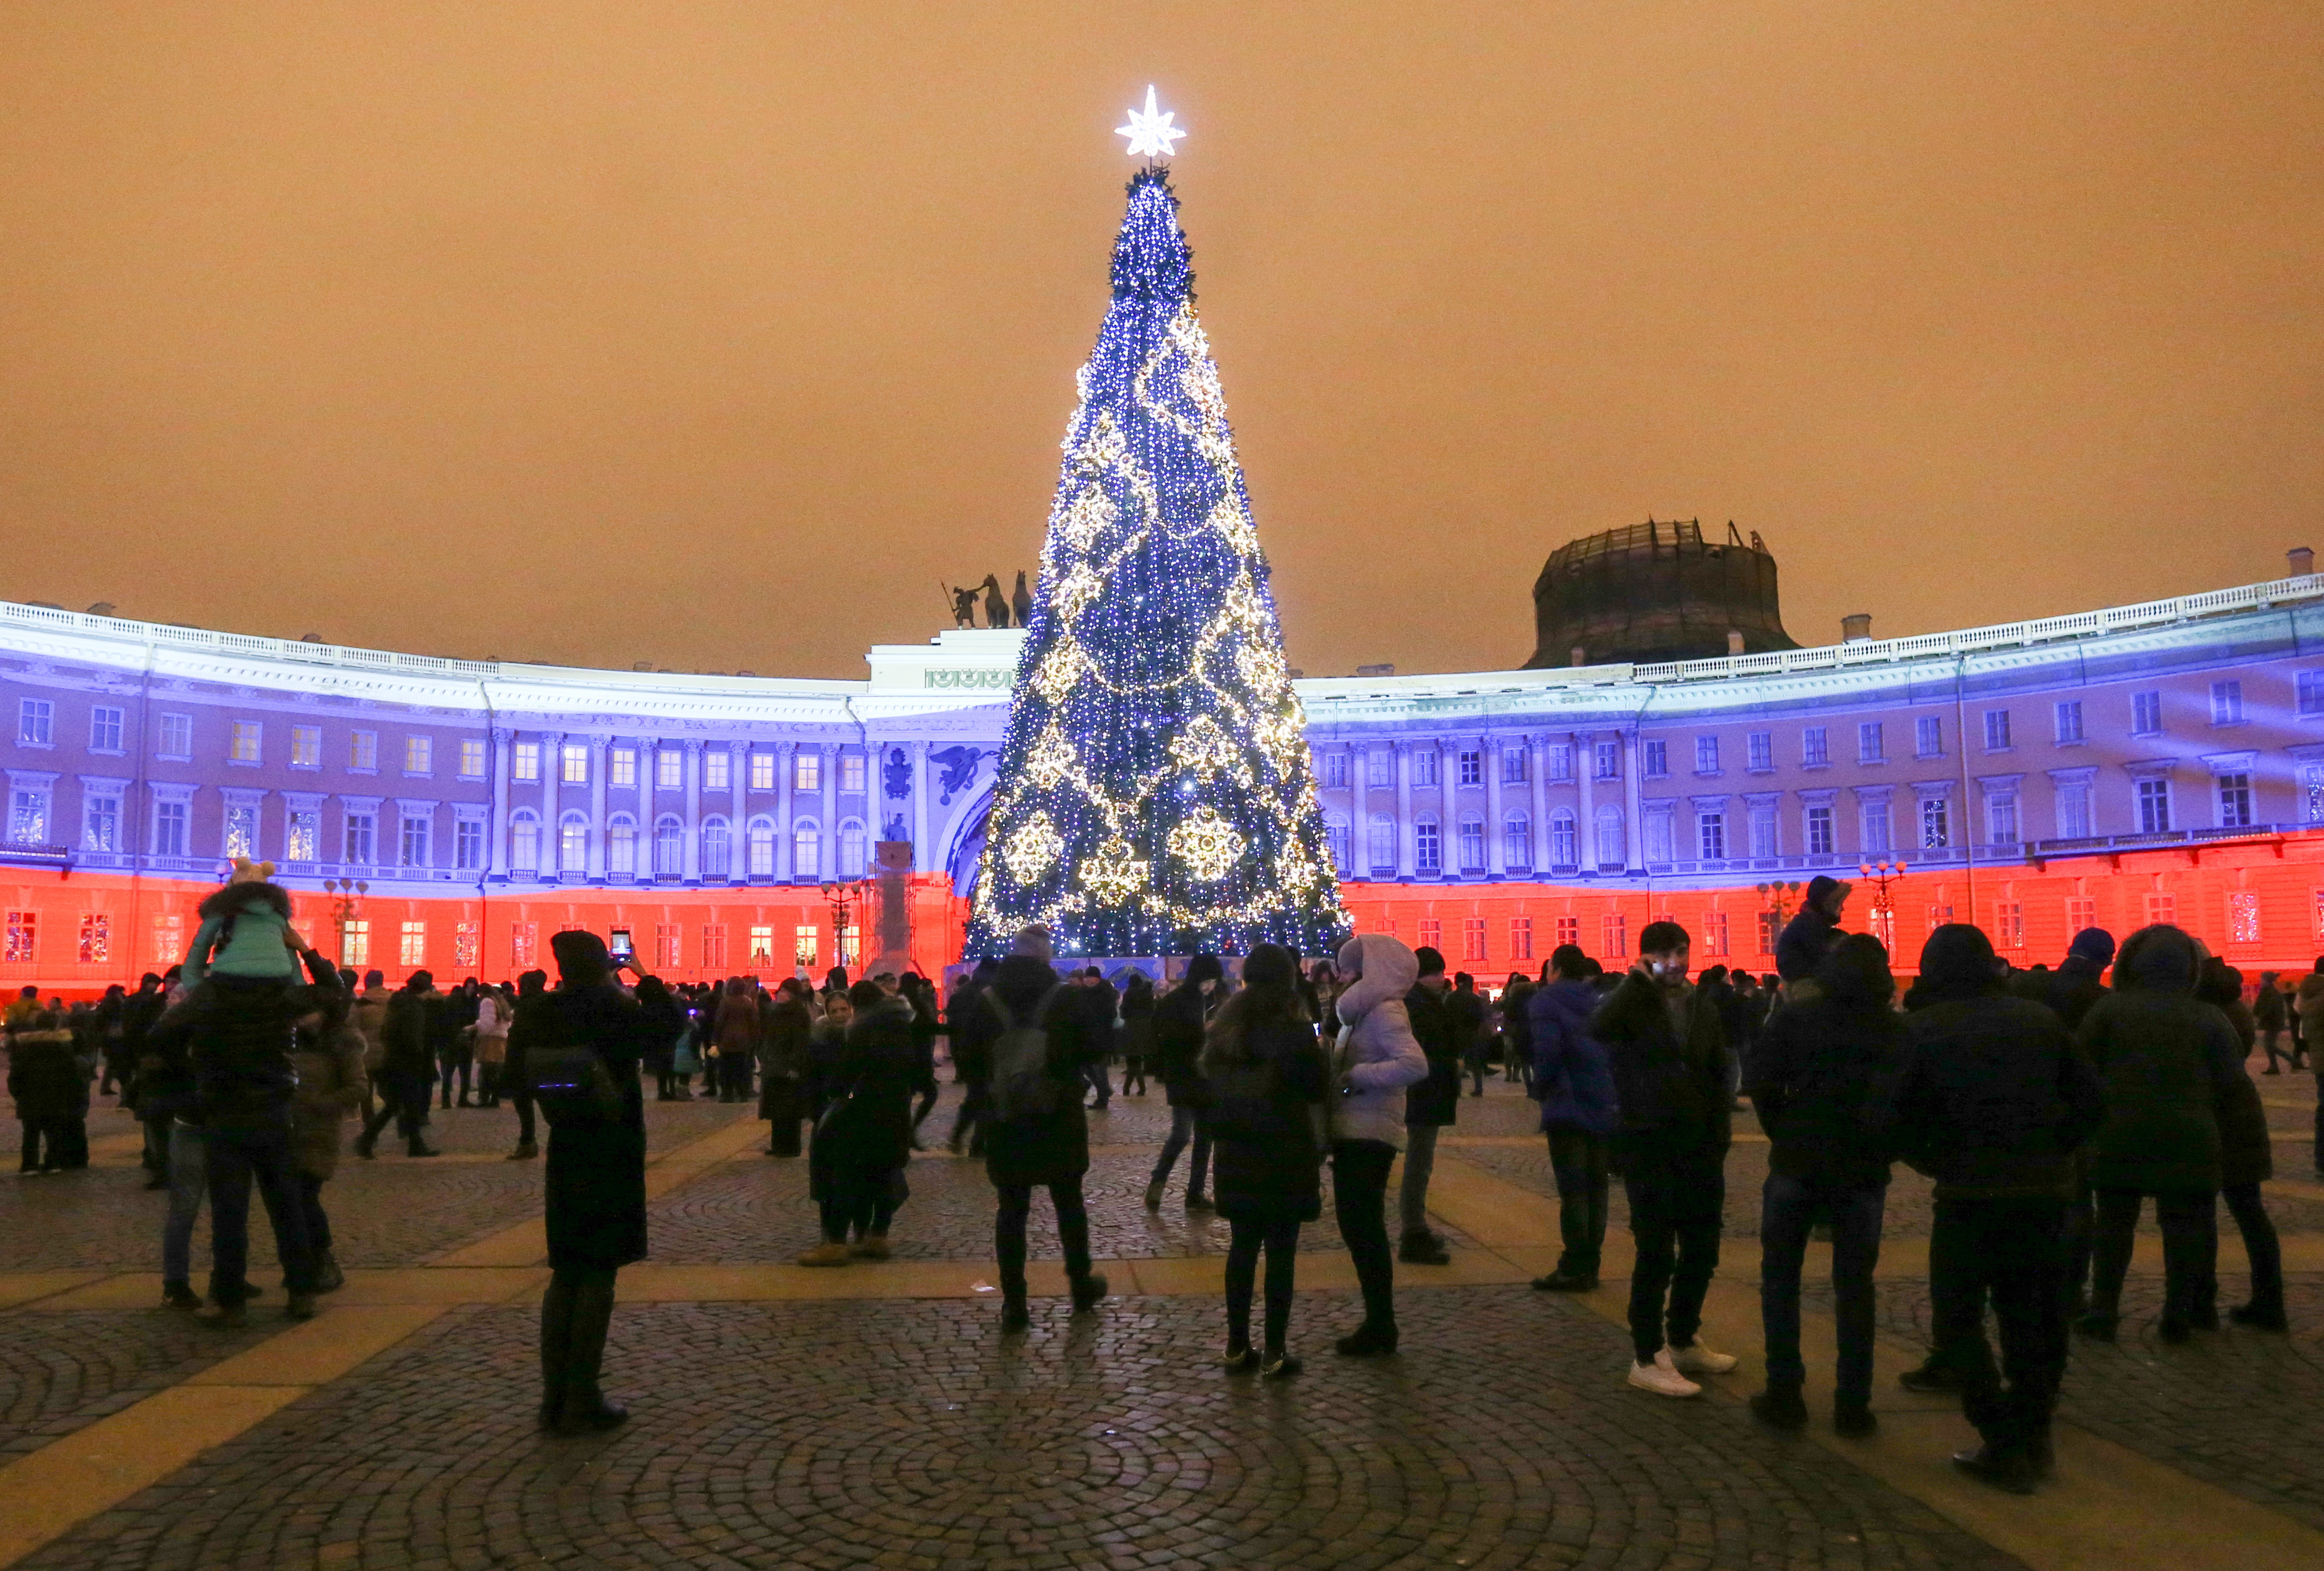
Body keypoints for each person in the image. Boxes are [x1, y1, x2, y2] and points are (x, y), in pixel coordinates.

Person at [1892, 923, 2104, 1493]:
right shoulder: (2039, 1020)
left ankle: (2000, 1433)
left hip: (1967, 1196)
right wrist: (2055, 1149)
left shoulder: (1922, 1029)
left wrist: (1935, 1159)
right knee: (2033, 1321)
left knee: (1957, 1319)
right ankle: (2033, 1434)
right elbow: (2090, 1100)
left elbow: (1892, 1117)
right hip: (2042, 1194)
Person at [1746, 934, 1910, 1435]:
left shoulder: (1798, 1018)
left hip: (1798, 1160)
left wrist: (1785, 1130)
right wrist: (1883, 1146)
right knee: (1856, 1286)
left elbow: (1762, 1082)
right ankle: (1852, 1403)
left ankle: (1785, 1391)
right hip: (1861, 1169)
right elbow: (1906, 1100)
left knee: (1780, 1278)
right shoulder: (1894, 1028)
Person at [160, 927, 343, 1325]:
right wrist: (306, 950)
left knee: (229, 1214)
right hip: (274, 1111)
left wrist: (197, 1068)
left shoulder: (210, 995)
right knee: (287, 1208)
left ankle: (230, 1300)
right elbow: (336, 995)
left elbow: (161, 1035)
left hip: (224, 1112)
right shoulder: (277, 993)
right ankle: (300, 1291)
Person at [2075, 926, 2246, 1345]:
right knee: (2185, 1229)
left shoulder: (2109, 1011)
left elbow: (2081, 1071)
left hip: (2119, 1135)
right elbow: (2232, 1081)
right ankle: (2179, 1312)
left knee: (2113, 1228)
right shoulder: (2208, 1016)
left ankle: (2103, 1309)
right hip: (2191, 1136)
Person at [1593, 920, 1736, 1397]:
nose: (1674, 963)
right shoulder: (1634, 1000)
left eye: (1680, 952)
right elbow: (1600, 1026)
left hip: (1699, 1142)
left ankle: (1682, 1335)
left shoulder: (1701, 1004)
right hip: (1649, 1140)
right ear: (1644, 959)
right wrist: (1636, 981)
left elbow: (1718, 1068)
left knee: (1702, 1245)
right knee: (1655, 1251)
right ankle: (1647, 1354)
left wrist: (1720, 1133)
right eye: (1661, 955)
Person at [518, 931, 652, 1434]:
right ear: (603, 964)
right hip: (613, 1143)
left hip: (566, 1142)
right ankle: (583, 1395)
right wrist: (639, 972)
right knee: (600, 1272)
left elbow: (516, 1075)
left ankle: (553, 1396)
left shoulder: (538, 1011)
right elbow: (665, 1030)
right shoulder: (615, 1006)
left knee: (565, 1272)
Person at [953, 925, 1108, 1331]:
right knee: (1069, 1203)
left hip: (1006, 1119)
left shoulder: (987, 1001)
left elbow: (965, 1057)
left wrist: (992, 1089)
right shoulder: (1066, 997)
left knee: (1012, 1210)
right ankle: (1080, 1284)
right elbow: (1095, 1048)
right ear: (1045, 957)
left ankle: (1015, 1302)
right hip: (1059, 1114)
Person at [1202, 943, 1328, 1378]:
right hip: (1285, 1150)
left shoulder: (1223, 1029)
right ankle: (1275, 1350)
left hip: (1237, 1149)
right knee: (1280, 1253)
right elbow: (1316, 1089)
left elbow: (1208, 1093)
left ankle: (1237, 1346)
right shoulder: (1295, 1032)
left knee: (1241, 1248)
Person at [1325, 932, 1428, 1357]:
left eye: (1350, 969)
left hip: (1371, 1133)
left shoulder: (1385, 1011)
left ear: (1371, 973)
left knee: (1364, 1229)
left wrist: (1356, 1078)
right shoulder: (1362, 1012)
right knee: (1358, 1228)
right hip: (1356, 1130)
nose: (1342, 976)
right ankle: (1378, 1321)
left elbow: (1414, 1064)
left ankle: (1381, 1324)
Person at [798, 979, 921, 1263]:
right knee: (883, 1174)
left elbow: (846, 1074)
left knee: (846, 1176)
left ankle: (836, 1244)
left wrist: (836, 1093)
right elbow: (918, 1072)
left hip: (862, 1115)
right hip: (896, 1112)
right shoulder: (903, 1026)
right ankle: (878, 1236)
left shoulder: (864, 1029)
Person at [1527, 944, 1618, 1292]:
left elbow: (1547, 1052)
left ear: (1557, 970)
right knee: (1598, 1187)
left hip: (1567, 1103)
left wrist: (1541, 1088)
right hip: (1601, 1100)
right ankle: (1591, 1263)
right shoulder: (1599, 1000)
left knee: (1574, 1190)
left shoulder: (1546, 1002)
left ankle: (1575, 1264)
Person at [289, 984, 370, 1293]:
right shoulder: (290, 1042)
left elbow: (358, 1088)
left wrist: (321, 1105)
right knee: (290, 1201)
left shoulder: (341, 1043)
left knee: (305, 1198)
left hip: (317, 1133)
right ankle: (301, 1264)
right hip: (286, 1130)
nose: (299, 1020)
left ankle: (323, 1260)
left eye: (305, 1015)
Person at [1398, 946, 1462, 1265]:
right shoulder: (1421, 1006)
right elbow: (1434, 1051)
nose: (1443, 980)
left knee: (1420, 1164)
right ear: (1431, 975)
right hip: (1426, 1094)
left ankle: (1416, 1227)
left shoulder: (1416, 1003)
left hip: (1424, 1093)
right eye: (1440, 973)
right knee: (1419, 1165)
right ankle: (1413, 1230)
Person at [1147, 954, 1223, 1210]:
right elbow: (1170, 1038)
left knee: (1204, 1137)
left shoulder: (1207, 1001)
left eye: (1214, 982)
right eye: (1208, 980)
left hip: (1202, 1077)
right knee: (1181, 1135)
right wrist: (1204, 1033)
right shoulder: (1178, 1001)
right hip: (1184, 1074)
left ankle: (1195, 1193)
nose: (1211, 986)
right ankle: (1158, 1182)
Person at [353, 971, 442, 1159]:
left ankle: (413, 1144)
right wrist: (420, 1056)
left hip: (392, 1060)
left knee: (400, 1106)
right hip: (408, 1063)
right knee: (399, 1105)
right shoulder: (414, 1008)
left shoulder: (397, 1004)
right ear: (424, 989)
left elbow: (386, 1033)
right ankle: (367, 1141)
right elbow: (415, 1039)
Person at [9, 1011, 81, 1173]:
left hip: (30, 1096)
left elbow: (16, 1074)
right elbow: (71, 1074)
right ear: (56, 1024)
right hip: (56, 1095)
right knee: (54, 1131)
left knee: (30, 1133)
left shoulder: (24, 1046)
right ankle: (53, 1163)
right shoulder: (64, 1045)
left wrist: (18, 1094)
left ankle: (29, 1165)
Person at [758, 977, 814, 1157]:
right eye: (780, 991)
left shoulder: (798, 1014)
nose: (780, 994)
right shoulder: (775, 1012)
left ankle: (790, 1147)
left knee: (790, 1110)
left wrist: (795, 1065)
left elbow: (801, 1042)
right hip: (774, 1065)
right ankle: (778, 1145)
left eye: (784, 992)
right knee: (776, 1109)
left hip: (789, 1067)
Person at [1774, 875, 1850, 992]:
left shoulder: (1809, 923)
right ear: (1828, 903)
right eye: (1839, 903)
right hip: (1807, 988)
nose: (1843, 909)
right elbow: (1822, 961)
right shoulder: (1810, 927)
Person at [1447, 972, 1490, 1097]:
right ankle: (1478, 1088)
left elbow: (1446, 1016)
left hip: (1455, 1033)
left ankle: (1457, 1090)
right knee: (1475, 1062)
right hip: (1472, 1032)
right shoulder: (1475, 999)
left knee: (1457, 1062)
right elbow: (1481, 1017)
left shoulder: (1450, 998)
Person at [474, 982, 511, 1109]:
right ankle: (495, 1099)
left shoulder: (487, 1002)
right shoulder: (500, 1001)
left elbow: (487, 1023)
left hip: (490, 1040)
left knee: (486, 1071)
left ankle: (484, 1099)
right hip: (501, 1039)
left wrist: (476, 1025)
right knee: (496, 1071)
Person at [2253, 969, 2289, 1072]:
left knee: (2269, 1045)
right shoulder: (2268, 991)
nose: (2261, 981)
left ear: (2267, 981)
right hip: (2272, 1023)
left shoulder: (2271, 993)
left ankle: (2292, 1060)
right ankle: (2275, 1067)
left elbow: (2268, 1009)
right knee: (2270, 1045)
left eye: (2262, 979)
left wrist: (2261, 1018)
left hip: (2273, 1023)